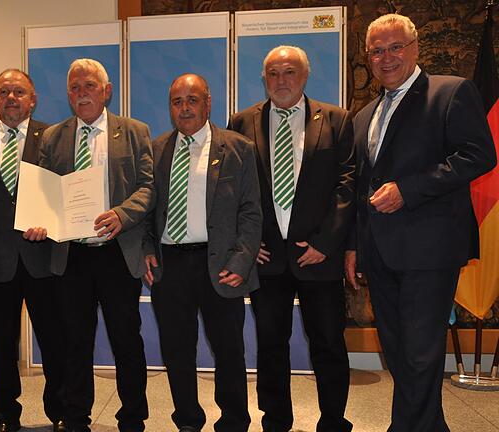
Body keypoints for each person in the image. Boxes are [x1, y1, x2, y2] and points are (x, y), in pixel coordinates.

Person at [345, 13, 496, 432]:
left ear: (415, 49)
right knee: (397, 351)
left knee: (419, 352)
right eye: (377, 50)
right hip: (379, 251)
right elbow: (361, 190)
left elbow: (480, 155)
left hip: (430, 249)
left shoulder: (451, 92)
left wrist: (408, 190)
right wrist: (354, 246)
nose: (386, 57)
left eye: (395, 47)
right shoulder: (364, 116)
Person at [228, 46, 355, 432]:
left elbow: (347, 183)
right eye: (273, 73)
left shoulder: (336, 119)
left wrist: (326, 243)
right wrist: (248, 243)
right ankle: (275, 420)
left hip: (318, 254)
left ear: (305, 76)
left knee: (329, 344)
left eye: (289, 72)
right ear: (264, 78)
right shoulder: (242, 121)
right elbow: (232, 189)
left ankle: (333, 421)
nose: (281, 80)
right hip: (267, 257)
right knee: (270, 345)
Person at [25, 58, 154, 432]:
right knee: (74, 341)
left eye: (89, 86)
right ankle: (76, 416)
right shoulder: (53, 137)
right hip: (71, 254)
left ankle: (133, 417)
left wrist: (122, 214)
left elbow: (148, 187)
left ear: (106, 91)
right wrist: (39, 220)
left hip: (117, 251)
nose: (82, 94)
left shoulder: (133, 131)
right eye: (75, 88)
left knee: (126, 339)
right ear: (68, 95)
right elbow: (45, 192)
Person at [143, 73, 261, 432]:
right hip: (170, 265)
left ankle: (234, 421)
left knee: (229, 351)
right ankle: (188, 421)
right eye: (177, 101)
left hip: (222, 264)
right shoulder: (157, 148)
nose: (184, 108)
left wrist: (242, 261)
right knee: (177, 350)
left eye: (192, 100)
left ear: (208, 103)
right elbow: (147, 209)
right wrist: (147, 248)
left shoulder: (239, 148)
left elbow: (251, 211)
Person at [0, 69, 66, 432]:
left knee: (55, 340)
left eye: (19, 92)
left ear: (33, 98)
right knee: (0, 347)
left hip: (43, 258)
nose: (12, 98)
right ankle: (5, 414)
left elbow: (65, 194)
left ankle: (60, 412)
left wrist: (52, 225)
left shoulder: (54, 138)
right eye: (4, 92)